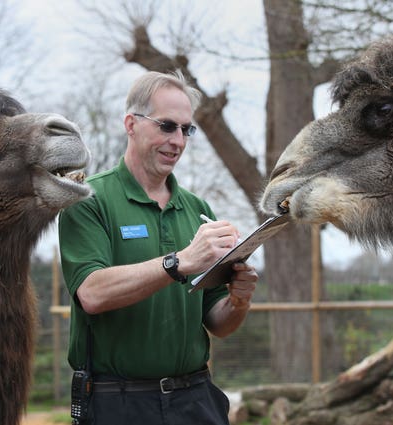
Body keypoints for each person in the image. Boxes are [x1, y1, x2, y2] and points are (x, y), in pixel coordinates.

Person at [58, 70, 259, 425]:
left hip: (196, 400)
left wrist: (238, 301)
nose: (178, 141)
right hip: (119, 404)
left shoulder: (198, 212)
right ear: (131, 124)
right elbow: (91, 293)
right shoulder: (90, 200)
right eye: (166, 126)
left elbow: (218, 323)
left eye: (186, 129)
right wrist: (178, 262)